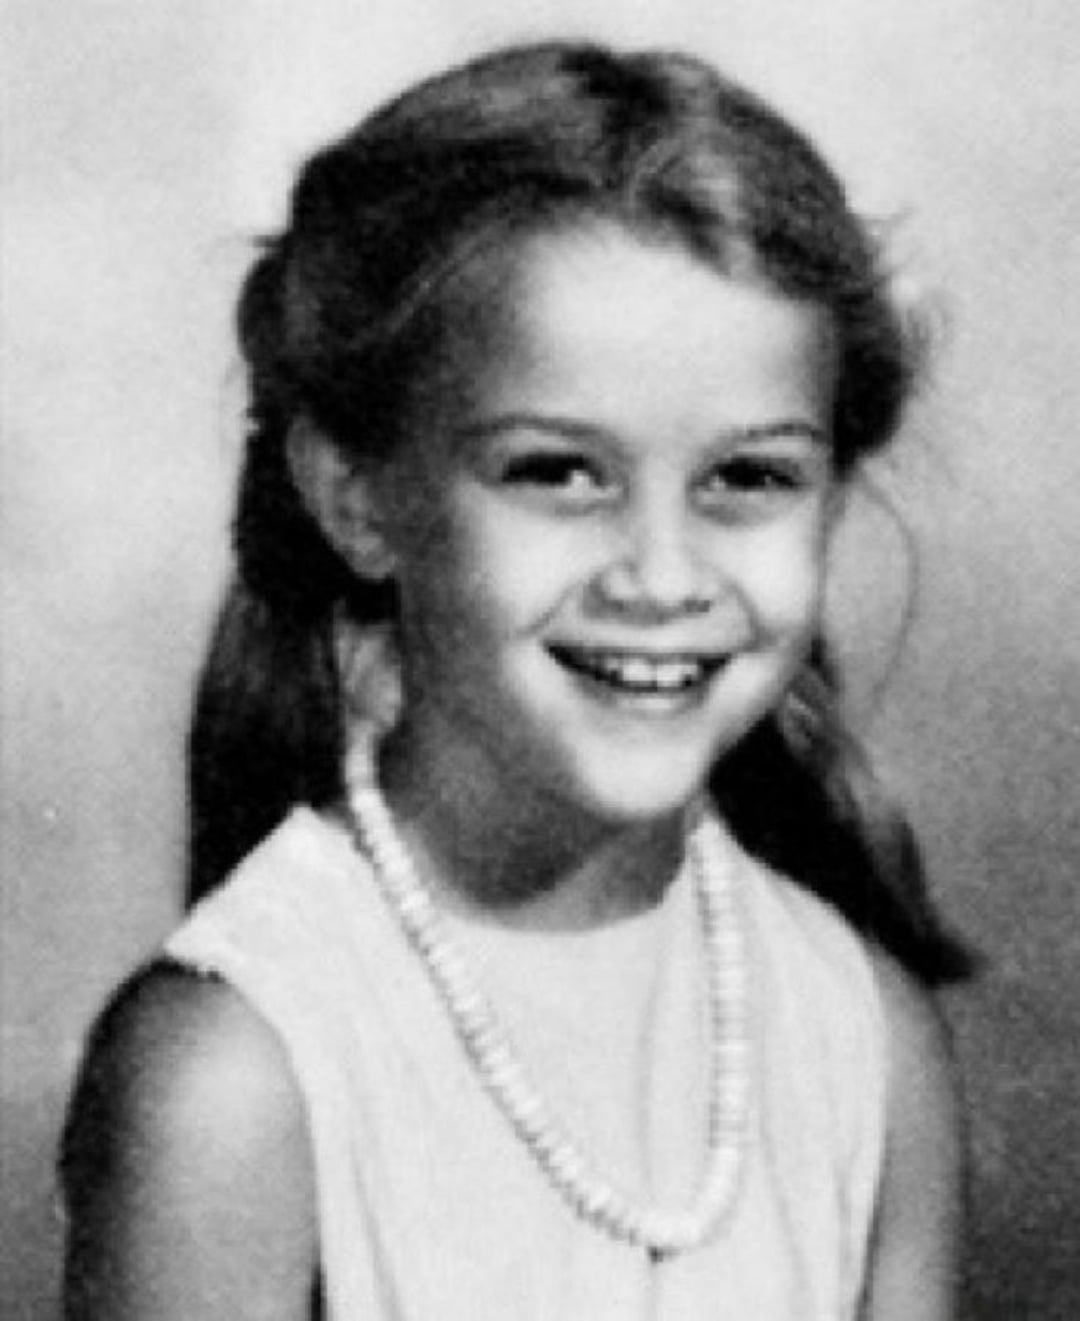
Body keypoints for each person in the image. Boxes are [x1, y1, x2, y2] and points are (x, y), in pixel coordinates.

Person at [60, 40, 972, 1320]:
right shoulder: (237, 1077)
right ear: (355, 497)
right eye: (558, 471)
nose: (664, 574)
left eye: (749, 476)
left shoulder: (862, 1038)